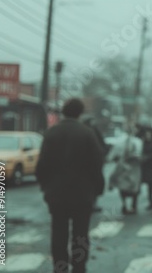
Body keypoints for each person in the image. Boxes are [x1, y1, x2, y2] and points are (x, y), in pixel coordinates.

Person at [36, 98, 105, 273]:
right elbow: (97, 163)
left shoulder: (51, 133)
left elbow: (41, 165)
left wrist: (45, 187)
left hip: (56, 195)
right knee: (80, 234)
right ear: (80, 113)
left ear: (63, 112)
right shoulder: (87, 133)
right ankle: (79, 267)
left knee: (58, 233)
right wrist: (98, 187)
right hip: (83, 195)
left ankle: (59, 267)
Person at [108, 120, 143, 215]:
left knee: (126, 186)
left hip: (126, 167)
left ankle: (128, 205)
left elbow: (112, 155)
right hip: (131, 167)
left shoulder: (125, 141)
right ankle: (131, 205)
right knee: (131, 186)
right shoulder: (136, 141)